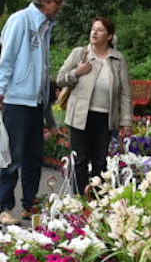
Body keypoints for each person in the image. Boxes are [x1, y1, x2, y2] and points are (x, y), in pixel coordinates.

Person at [0, 0, 67, 223]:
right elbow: (7, 59)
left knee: (34, 157)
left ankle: (29, 205)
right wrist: (0, 89)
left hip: (35, 102)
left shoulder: (45, 25)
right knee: (13, 156)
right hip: (17, 100)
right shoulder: (20, 20)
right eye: (58, 2)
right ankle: (4, 207)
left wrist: (47, 108)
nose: (60, 7)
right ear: (46, 0)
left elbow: (42, 68)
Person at [55, 14, 132, 195]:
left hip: (105, 117)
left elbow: (125, 92)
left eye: (100, 30)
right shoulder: (79, 54)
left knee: (100, 161)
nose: (94, 32)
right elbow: (60, 79)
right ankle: (79, 201)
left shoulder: (118, 60)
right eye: (93, 29)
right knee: (80, 160)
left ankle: (98, 201)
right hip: (80, 115)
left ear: (110, 36)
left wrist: (126, 121)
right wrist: (77, 72)